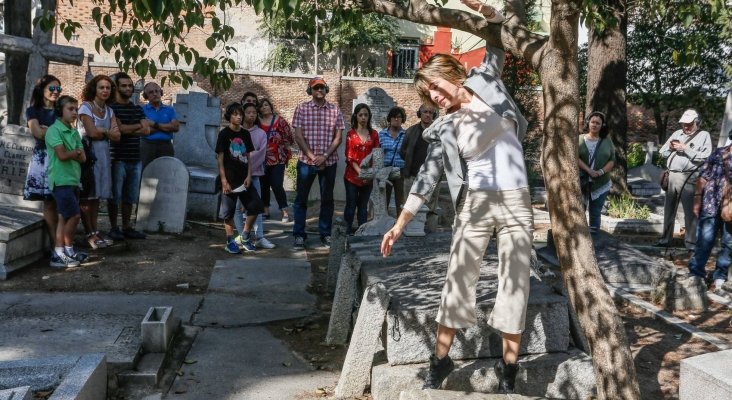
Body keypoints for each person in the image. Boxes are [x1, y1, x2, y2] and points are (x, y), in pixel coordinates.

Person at [381, 2, 530, 393]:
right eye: (427, 93)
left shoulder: (486, 80)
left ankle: (508, 370)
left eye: (435, 85)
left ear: (451, 73)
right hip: (476, 202)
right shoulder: (445, 128)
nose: (435, 96)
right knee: (458, 278)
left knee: (515, 280)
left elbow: (495, 40)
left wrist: (489, 12)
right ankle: (440, 360)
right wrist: (400, 224)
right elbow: (426, 180)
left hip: (517, 199)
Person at [291, 77, 345, 249]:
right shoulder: (302, 109)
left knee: (327, 199)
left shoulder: (335, 110)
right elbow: (298, 136)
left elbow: (338, 137)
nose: (319, 91)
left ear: (326, 89)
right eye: (316, 88)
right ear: (310, 91)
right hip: (307, 162)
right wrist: (313, 156)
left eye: (322, 87)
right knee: (301, 199)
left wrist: (325, 156)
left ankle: (325, 234)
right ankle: (299, 234)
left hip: (329, 162)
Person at [656, 109, 711, 250]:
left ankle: (691, 243)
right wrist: (669, 147)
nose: (685, 127)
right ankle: (665, 240)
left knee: (690, 212)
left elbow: (705, 157)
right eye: (683, 124)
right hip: (672, 175)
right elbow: (662, 153)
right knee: (669, 210)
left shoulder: (704, 135)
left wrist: (685, 149)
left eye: (689, 124)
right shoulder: (676, 134)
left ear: (696, 122)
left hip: (689, 176)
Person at [78, 75, 121, 249]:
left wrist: (101, 130)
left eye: (108, 88)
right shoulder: (85, 108)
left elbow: (117, 136)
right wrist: (105, 131)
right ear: (94, 89)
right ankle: (88, 233)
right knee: (87, 195)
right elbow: (91, 132)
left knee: (96, 197)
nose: (105, 91)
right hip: (88, 154)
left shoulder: (110, 111)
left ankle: (95, 231)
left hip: (103, 154)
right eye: (101, 87)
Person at [216, 102, 264, 254]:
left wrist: (250, 175)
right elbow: (220, 158)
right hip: (229, 179)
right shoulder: (224, 134)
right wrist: (224, 180)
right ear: (229, 116)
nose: (239, 117)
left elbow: (249, 156)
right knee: (228, 212)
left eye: (240, 114)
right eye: (235, 114)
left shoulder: (245, 133)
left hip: (244, 179)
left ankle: (245, 235)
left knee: (256, 206)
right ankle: (230, 240)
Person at [45, 95, 87, 268]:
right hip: (61, 180)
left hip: (73, 179)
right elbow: (62, 155)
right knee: (74, 215)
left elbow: (83, 157)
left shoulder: (74, 131)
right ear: (60, 111)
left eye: (76, 109)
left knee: (64, 217)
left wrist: (76, 153)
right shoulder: (54, 130)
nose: (75, 112)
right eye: (70, 109)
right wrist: (75, 153)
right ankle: (62, 251)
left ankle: (64, 252)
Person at [108, 72, 150, 241]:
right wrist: (135, 127)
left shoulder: (137, 108)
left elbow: (146, 130)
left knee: (130, 196)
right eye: (124, 85)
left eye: (130, 85)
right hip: (117, 157)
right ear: (117, 88)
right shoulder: (112, 108)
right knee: (115, 196)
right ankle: (113, 227)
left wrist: (127, 127)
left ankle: (126, 227)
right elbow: (120, 130)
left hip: (135, 157)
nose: (128, 88)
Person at [23, 75, 62, 254]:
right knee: (48, 202)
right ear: (42, 90)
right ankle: (55, 246)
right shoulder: (33, 111)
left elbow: (70, 134)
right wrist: (55, 133)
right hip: (43, 158)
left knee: (61, 202)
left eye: (58, 89)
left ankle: (63, 244)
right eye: (52, 88)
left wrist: (48, 130)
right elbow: (38, 133)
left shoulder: (61, 110)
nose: (56, 92)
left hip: (62, 158)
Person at [688, 141, 732, 295]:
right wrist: (697, 199)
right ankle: (696, 273)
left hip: (731, 209)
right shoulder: (718, 153)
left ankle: (720, 277)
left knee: (729, 243)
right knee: (704, 240)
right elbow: (703, 177)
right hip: (710, 204)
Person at [233, 102, 276, 249]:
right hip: (236, 175)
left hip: (255, 174)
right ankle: (242, 236)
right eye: (248, 112)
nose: (251, 115)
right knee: (237, 207)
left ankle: (259, 236)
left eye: (254, 112)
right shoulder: (236, 132)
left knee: (256, 206)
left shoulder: (261, 133)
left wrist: (247, 166)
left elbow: (260, 153)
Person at [400, 104, 439, 229]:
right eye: (425, 112)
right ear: (420, 114)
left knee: (431, 209)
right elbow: (403, 151)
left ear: (434, 115)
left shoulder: (437, 132)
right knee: (409, 206)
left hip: (432, 177)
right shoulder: (411, 131)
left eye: (431, 113)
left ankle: (431, 233)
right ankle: (409, 231)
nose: (428, 114)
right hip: (411, 175)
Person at [344, 103, 380, 234]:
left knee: (363, 207)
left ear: (369, 117)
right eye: (360, 115)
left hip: (368, 178)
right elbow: (349, 157)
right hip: (352, 177)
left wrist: (369, 175)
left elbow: (377, 155)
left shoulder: (374, 134)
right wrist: (361, 173)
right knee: (351, 206)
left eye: (366, 115)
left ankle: (362, 232)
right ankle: (346, 232)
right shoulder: (350, 134)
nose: (363, 117)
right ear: (356, 116)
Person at [577, 111, 615, 233]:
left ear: (602, 125)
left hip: (601, 181)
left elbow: (612, 160)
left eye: (598, 123)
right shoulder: (579, 139)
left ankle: (595, 238)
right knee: (579, 210)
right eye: (592, 122)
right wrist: (589, 170)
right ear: (588, 123)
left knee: (595, 211)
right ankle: (580, 237)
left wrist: (600, 172)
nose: (595, 125)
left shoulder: (607, 141)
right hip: (582, 180)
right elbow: (574, 157)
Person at [258, 98, 294, 222]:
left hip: (278, 158)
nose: (264, 108)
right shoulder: (257, 122)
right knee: (264, 185)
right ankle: (265, 210)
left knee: (277, 184)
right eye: (261, 106)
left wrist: (285, 150)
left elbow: (289, 137)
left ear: (271, 106)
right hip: (261, 158)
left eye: (266, 105)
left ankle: (284, 211)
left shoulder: (280, 121)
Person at [141, 82, 179, 169]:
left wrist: (154, 124)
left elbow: (175, 127)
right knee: (145, 173)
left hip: (166, 146)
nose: (154, 94)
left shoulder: (170, 110)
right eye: (151, 92)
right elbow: (144, 130)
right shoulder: (142, 110)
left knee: (166, 173)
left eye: (157, 91)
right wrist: (166, 127)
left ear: (161, 93)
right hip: (147, 146)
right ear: (146, 96)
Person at [379, 106, 407, 217]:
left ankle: (400, 223)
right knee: (383, 198)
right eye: (394, 117)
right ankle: (382, 221)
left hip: (400, 171)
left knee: (401, 199)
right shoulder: (382, 134)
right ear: (390, 119)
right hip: (385, 170)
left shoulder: (405, 135)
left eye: (399, 117)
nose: (396, 119)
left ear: (402, 120)